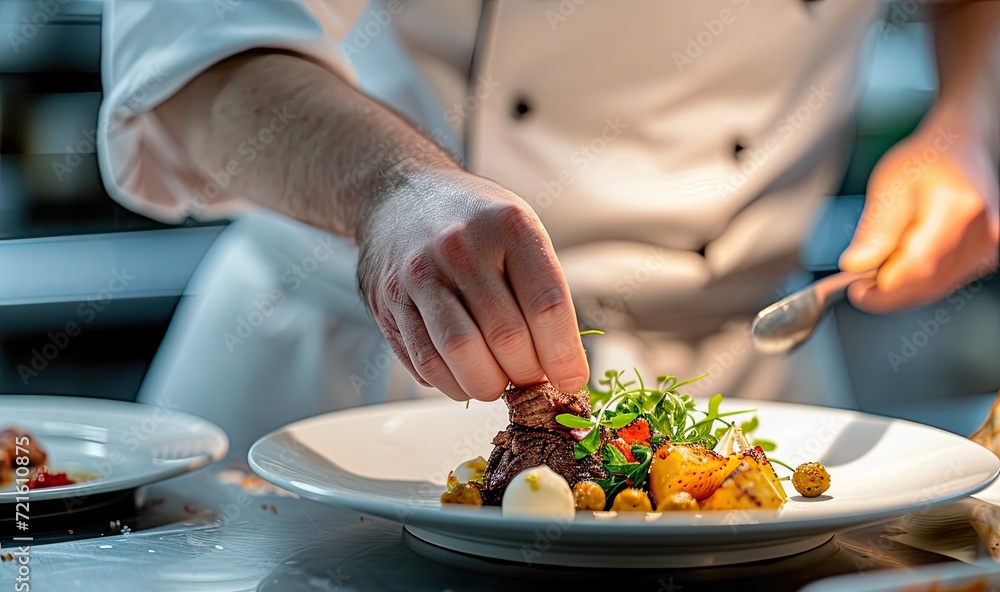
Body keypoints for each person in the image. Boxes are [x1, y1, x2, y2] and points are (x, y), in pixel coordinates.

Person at [98, 0, 998, 453]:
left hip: (754, 381)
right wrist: (392, 192)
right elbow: (191, 48)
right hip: (358, 375)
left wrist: (967, 124)